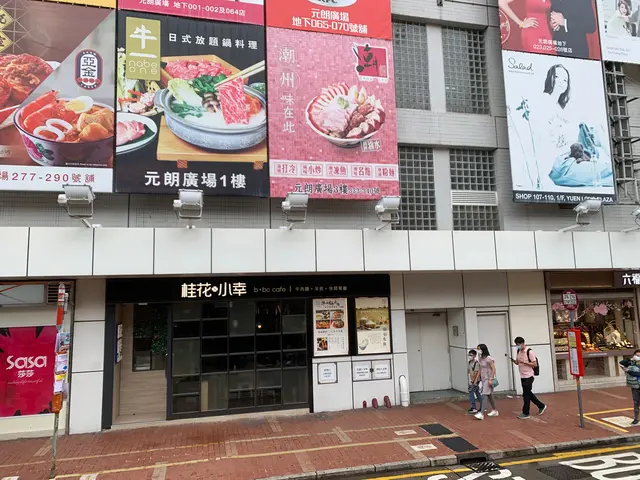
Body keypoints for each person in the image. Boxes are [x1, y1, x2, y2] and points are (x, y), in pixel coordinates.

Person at [512, 337, 546, 420]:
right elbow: (517, 362)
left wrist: (525, 362)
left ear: (523, 343)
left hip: (529, 376)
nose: (517, 346)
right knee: (528, 393)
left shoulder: (529, 352)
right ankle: (541, 405)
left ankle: (526, 413)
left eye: (518, 344)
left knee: (526, 395)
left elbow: (534, 364)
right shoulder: (518, 351)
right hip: (522, 376)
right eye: (516, 345)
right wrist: (515, 361)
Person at [474, 344, 499, 420]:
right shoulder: (480, 359)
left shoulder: (489, 358)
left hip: (488, 379)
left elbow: (493, 369)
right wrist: (476, 379)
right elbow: (480, 369)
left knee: (484, 395)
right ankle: (495, 410)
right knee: (490, 395)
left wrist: (491, 378)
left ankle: (481, 413)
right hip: (483, 379)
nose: (478, 351)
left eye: (479, 349)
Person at [620, 349, 640, 425]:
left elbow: (638, 374)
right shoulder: (631, 363)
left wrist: (628, 371)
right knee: (636, 403)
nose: (638, 357)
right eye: (636, 355)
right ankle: (636, 418)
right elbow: (621, 362)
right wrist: (631, 359)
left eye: (639, 356)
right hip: (635, 386)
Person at [468, 349, 481, 414]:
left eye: (471, 355)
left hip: (476, 380)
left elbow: (476, 373)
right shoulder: (469, 362)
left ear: (475, 355)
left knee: (471, 392)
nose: (470, 356)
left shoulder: (477, 363)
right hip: (472, 380)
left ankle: (474, 408)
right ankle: (483, 406)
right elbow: (469, 371)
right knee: (477, 393)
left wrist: (474, 382)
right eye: (469, 355)